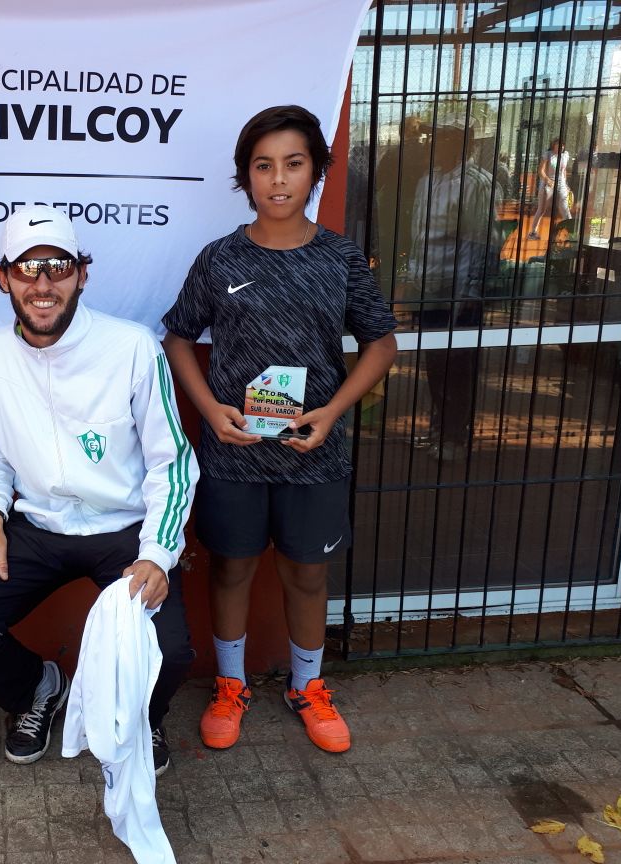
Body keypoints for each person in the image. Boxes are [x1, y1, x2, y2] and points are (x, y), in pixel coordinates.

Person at [161, 105, 397, 754]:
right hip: (234, 454)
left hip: (313, 454)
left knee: (308, 576)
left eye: (293, 163)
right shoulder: (220, 258)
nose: (279, 179)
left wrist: (333, 411)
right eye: (263, 166)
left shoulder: (339, 258)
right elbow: (178, 338)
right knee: (231, 570)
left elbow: (381, 344)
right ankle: (230, 685)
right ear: (246, 177)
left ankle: (308, 687)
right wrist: (211, 409)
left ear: (316, 171)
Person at [0, 205, 198, 775]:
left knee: (172, 652)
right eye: (27, 269)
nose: (43, 284)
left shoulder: (132, 347)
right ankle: (38, 688)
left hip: (124, 529)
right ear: (2, 278)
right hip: (37, 526)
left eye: (58, 266)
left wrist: (156, 555)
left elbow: (171, 462)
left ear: (82, 274)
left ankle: (142, 719)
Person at [406, 112, 497, 461]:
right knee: (435, 363)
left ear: (463, 143)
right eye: (434, 137)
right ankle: (439, 428)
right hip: (428, 287)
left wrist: (470, 293)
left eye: (444, 137)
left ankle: (455, 437)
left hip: (457, 290)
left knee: (458, 365)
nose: (435, 143)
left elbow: (482, 242)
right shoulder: (427, 180)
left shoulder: (477, 183)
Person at [527, 138, 571, 240]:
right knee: (541, 209)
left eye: (562, 145)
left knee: (565, 210)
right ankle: (533, 233)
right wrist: (548, 180)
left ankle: (571, 234)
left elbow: (564, 171)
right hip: (547, 186)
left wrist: (566, 185)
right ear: (553, 145)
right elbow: (540, 170)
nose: (560, 147)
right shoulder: (548, 155)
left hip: (561, 186)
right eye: (558, 145)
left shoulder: (565, 155)